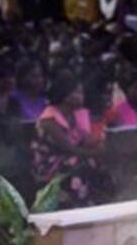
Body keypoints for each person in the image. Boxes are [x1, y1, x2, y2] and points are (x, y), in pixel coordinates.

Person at [31, 73, 103, 207]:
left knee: (98, 162)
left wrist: (103, 142)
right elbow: (70, 149)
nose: (82, 96)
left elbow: (87, 142)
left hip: (69, 158)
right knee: (82, 163)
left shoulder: (76, 114)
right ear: (65, 95)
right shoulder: (49, 120)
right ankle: (80, 204)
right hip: (51, 164)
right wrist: (100, 152)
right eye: (78, 92)